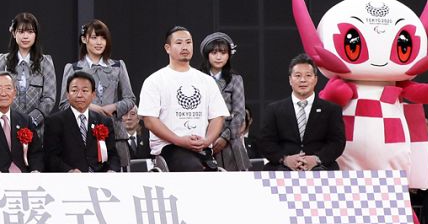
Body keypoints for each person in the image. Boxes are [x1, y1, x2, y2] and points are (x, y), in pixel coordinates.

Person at [139, 26, 228, 172]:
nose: (185, 47)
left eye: (188, 42)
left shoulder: (206, 80)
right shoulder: (155, 80)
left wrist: (206, 141)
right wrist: (179, 140)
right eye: (179, 43)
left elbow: (218, 117)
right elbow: (149, 121)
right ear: (168, 48)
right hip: (169, 148)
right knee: (193, 169)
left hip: (202, 149)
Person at [58, 19, 136, 170]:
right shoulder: (73, 68)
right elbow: (64, 104)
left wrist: (113, 107)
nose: (99, 42)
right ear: (84, 39)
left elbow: (130, 99)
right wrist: (91, 107)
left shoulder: (118, 66)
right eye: (94, 37)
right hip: (82, 135)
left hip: (115, 133)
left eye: (103, 37)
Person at [252, 54, 344, 173]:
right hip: (282, 167)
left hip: (320, 167)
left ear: (315, 79)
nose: (303, 80)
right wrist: (285, 159)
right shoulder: (274, 109)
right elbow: (265, 142)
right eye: (298, 76)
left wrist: (316, 159)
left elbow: (337, 142)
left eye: (308, 75)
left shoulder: (331, 110)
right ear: (290, 80)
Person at [43, 71, 119, 172]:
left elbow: (113, 155)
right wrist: (69, 171)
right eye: (74, 90)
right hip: (69, 181)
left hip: (100, 180)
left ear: (93, 95)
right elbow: (50, 157)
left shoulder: (104, 121)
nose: (79, 95)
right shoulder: (54, 122)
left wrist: (112, 170)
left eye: (85, 91)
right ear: (67, 95)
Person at [0, 12, 56, 130]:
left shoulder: (45, 62)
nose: (25, 36)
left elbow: (49, 98)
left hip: (37, 128)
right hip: (7, 125)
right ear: (13, 33)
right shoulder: (2, 61)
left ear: (36, 34)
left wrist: (31, 120)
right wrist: (12, 119)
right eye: (21, 32)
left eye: (30, 32)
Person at [200, 31, 250, 170]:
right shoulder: (197, 79)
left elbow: (239, 113)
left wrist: (224, 138)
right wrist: (208, 139)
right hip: (203, 139)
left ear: (229, 55)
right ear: (207, 55)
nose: (219, 57)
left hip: (230, 140)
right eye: (214, 52)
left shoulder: (235, 79)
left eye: (223, 52)